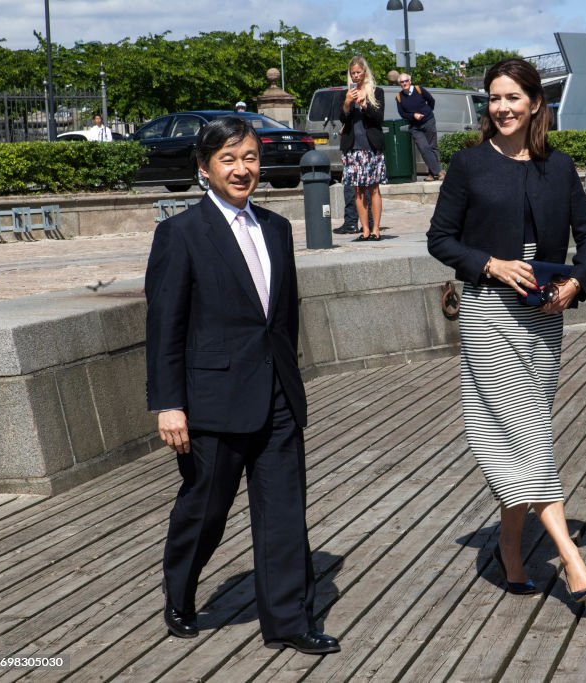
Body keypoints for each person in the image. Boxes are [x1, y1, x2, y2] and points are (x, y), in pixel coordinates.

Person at [144, 117, 338, 655]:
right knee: (205, 510)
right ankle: (180, 591)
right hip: (213, 401)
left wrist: (288, 379)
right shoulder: (181, 234)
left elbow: (282, 316)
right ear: (204, 169)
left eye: (249, 157)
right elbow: (165, 327)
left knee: (283, 513)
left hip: (277, 394)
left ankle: (289, 620)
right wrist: (169, 404)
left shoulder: (277, 228)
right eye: (227, 159)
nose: (241, 169)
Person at [426, 59, 586, 606]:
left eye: (512, 98)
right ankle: (570, 556)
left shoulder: (559, 166)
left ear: (534, 104)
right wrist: (491, 265)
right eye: (494, 98)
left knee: (522, 435)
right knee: (528, 435)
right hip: (488, 312)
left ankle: (509, 545)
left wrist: (576, 282)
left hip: (544, 313)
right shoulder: (469, 164)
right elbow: (440, 239)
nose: (501, 108)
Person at [341, 56, 386, 241]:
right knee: (358, 190)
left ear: (365, 72)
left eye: (358, 72)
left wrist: (365, 104)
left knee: (374, 188)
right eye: (353, 73)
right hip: (353, 148)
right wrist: (347, 103)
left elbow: (379, 118)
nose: (356, 76)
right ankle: (365, 230)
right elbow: (342, 119)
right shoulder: (347, 93)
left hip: (372, 147)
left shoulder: (377, 92)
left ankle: (376, 229)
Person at [395, 73, 444, 181]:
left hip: (428, 121)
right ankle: (439, 171)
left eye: (406, 81)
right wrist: (413, 115)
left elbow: (431, 101)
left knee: (432, 147)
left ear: (410, 81)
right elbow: (402, 114)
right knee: (423, 148)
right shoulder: (399, 97)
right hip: (415, 126)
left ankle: (432, 174)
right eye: (402, 82)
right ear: (399, 84)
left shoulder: (419, 89)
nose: (404, 83)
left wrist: (426, 113)